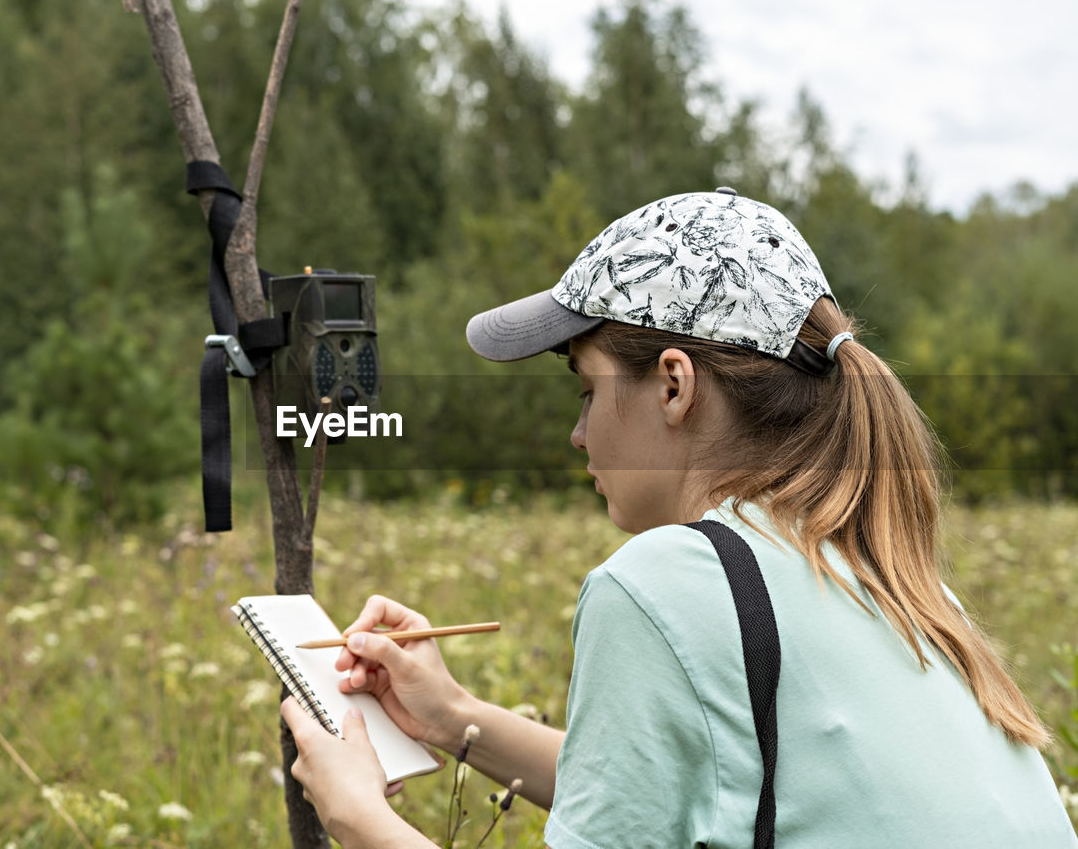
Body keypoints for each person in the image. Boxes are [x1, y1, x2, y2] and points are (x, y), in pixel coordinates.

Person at [280, 188, 1078, 847]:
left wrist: (359, 817)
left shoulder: (665, 583)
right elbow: (660, 793)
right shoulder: (892, 580)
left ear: (673, 384)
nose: (578, 433)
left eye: (587, 390)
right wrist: (455, 720)